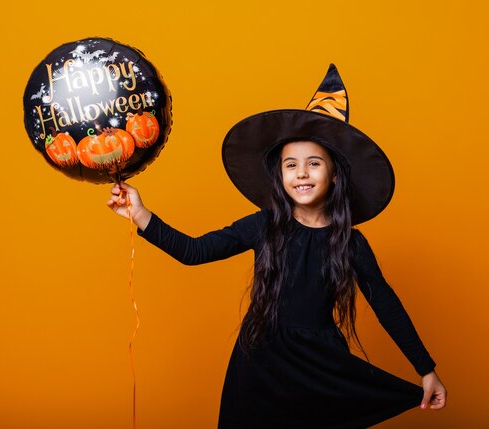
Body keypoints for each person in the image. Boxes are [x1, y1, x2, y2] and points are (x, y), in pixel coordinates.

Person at [108, 65, 446, 428]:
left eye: (314, 164)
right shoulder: (264, 225)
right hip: (260, 363)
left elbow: (386, 303)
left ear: (333, 175)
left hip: (321, 365)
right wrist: (141, 215)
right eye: (291, 165)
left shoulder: (351, 243)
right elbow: (194, 252)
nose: (301, 173)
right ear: (280, 175)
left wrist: (426, 369)